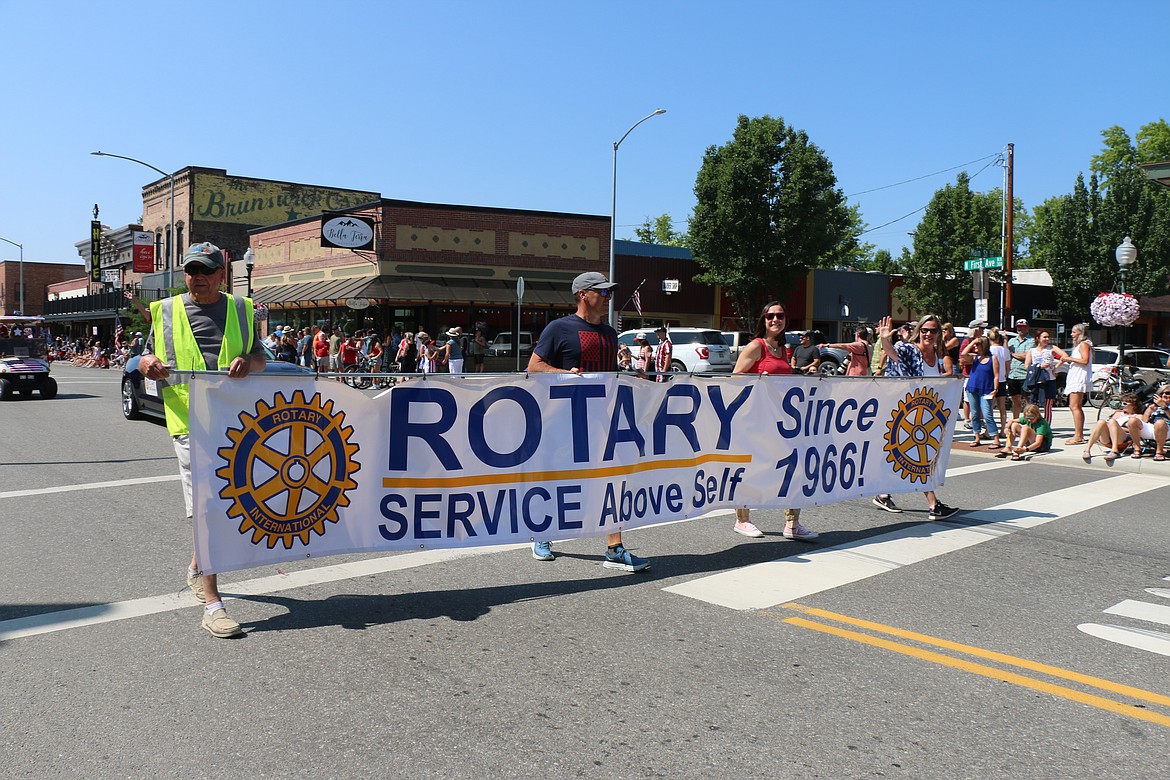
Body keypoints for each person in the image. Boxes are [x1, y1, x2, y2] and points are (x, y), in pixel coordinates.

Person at [136, 242, 265, 638]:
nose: (199, 278)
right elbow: (143, 358)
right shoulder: (166, 311)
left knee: (229, 503)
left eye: (207, 271)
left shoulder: (243, 309)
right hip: (188, 421)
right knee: (209, 509)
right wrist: (149, 365)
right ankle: (213, 604)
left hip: (238, 424)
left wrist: (249, 363)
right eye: (192, 271)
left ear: (222, 276)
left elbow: (260, 356)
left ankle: (196, 567)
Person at [526, 271, 650, 572]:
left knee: (611, 482)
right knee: (559, 479)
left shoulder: (609, 333)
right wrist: (562, 373)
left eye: (609, 292)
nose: (608, 297)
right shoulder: (559, 328)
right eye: (603, 292)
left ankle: (615, 548)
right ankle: (543, 534)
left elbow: (609, 376)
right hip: (563, 421)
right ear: (584, 294)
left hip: (603, 421)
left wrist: (634, 379)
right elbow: (534, 366)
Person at [730, 301, 818, 542]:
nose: (775, 320)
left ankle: (792, 523)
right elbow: (735, 378)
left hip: (783, 420)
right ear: (764, 320)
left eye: (779, 315)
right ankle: (742, 519)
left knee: (793, 467)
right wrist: (758, 378)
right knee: (751, 468)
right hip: (757, 418)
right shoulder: (755, 346)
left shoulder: (784, 348)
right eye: (770, 316)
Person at [872, 314, 960, 520]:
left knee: (903, 456)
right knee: (921, 458)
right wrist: (885, 339)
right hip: (907, 413)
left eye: (933, 330)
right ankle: (933, 504)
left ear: (939, 334)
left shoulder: (936, 357)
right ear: (918, 331)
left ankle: (882, 493)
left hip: (926, 414)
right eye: (925, 330)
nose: (928, 334)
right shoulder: (909, 349)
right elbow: (893, 355)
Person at [965, 336, 1000, 449]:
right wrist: (973, 342)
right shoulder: (975, 357)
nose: (975, 346)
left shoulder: (992, 358)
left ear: (984, 345)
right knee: (974, 414)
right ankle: (977, 437)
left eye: (978, 344)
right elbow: (964, 354)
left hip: (987, 390)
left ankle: (995, 438)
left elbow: (996, 375)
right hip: (972, 388)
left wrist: (995, 389)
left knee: (987, 414)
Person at [1061, 323, 1093, 445]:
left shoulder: (1084, 344)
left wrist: (1069, 359)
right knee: (1076, 406)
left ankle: (1078, 435)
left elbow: (1084, 360)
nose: (1072, 334)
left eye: (1074, 332)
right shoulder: (1081, 345)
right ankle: (1078, 434)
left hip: (1079, 378)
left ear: (1081, 333)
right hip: (1076, 376)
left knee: (1074, 406)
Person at [1022, 330, 1059, 422]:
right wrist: (1038, 366)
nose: (1047, 339)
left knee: (1048, 405)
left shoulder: (1051, 348)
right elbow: (1026, 366)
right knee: (1033, 405)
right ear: (1038, 338)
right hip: (1036, 380)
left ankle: (1047, 427)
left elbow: (1064, 356)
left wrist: (1055, 367)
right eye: (1044, 337)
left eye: (1048, 337)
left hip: (1049, 379)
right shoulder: (1032, 351)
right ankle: (1034, 425)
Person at [1007, 319, 1034, 418]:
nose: (1020, 328)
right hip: (1012, 374)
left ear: (1027, 328)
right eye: (1018, 326)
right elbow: (1006, 354)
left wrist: (1013, 354)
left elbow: (1027, 356)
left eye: (1022, 326)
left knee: (1028, 400)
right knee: (1015, 399)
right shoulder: (1012, 341)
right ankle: (1016, 422)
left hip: (1025, 374)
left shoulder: (1032, 341)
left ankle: (1030, 421)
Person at [988, 328, 1011, 432]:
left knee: (990, 407)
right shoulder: (1005, 350)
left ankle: (989, 430)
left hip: (991, 380)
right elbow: (1008, 366)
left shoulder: (989, 350)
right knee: (1002, 407)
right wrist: (1005, 375)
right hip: (1002, 379)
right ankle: (1003, 429)